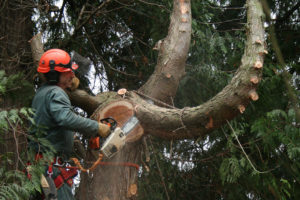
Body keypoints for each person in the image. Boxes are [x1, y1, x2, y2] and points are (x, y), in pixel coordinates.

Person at [29, 49, 110, 200]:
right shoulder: (56, 93)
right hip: (51, 170)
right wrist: (96, 127)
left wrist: (66, 85)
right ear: (54, 75)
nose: (72, 75)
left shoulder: (42, 93)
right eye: (67, 73)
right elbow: (65, 118)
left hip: (39, 168)